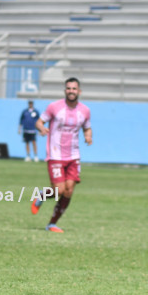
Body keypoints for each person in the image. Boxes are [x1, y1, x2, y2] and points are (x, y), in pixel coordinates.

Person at [31, 78, 92, 233]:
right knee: (58, 190)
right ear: (65, 90)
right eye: (68, 88)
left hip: (73, 156)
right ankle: (42, 196)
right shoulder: (54, 107)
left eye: (74, 88)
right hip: (55, 154)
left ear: (79, 91)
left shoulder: (85, 110)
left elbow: (87, 127)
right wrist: (42, 129)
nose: (71, 91)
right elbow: (39, 122)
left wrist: (88, 136)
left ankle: (52, 224)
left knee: (69, 190)